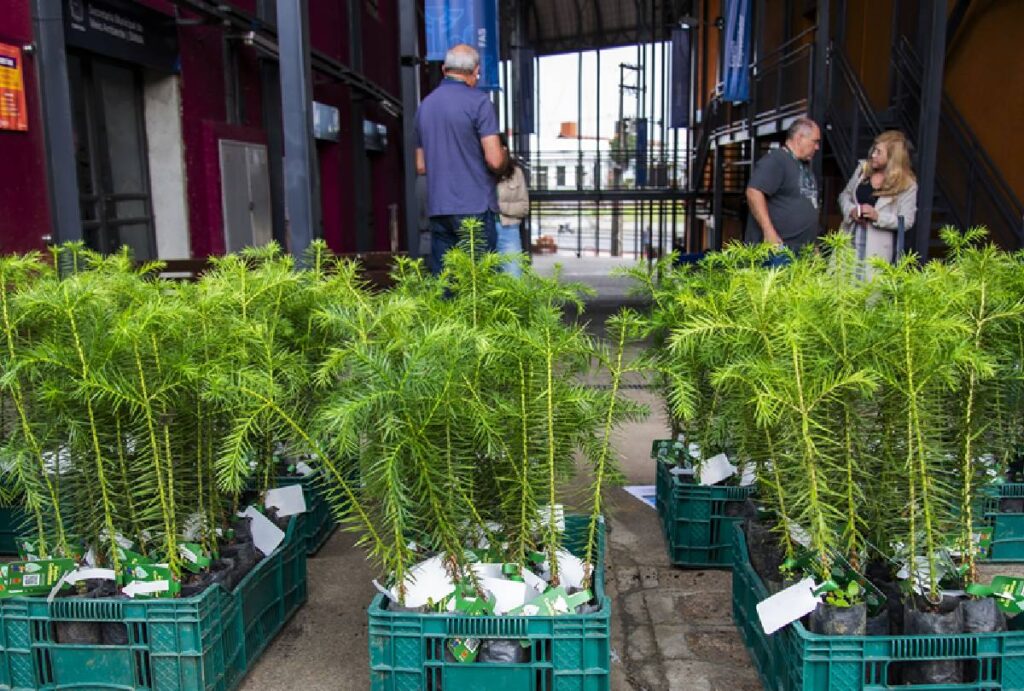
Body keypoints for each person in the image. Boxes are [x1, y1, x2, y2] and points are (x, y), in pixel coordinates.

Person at [414, 44, 507, 274]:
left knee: (445, 285)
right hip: (474, 208)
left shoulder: (425, 106)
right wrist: (504, 156)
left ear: (445, 69)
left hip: (439, 209)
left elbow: (421, 165)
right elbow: (495, 161)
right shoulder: (480, 102)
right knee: (479, 284)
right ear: (476, 71)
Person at [838, 130, 917, 267]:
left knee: (870, 286)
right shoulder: (863, 170)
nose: (873, 155)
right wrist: (851, 210)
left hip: (878, 253)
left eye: (879, 152)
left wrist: (877, 216)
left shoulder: (907, 184)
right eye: (874, 149)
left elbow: (907, 221)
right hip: (848, 243)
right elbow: (844, 196)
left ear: (893, 157)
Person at [744, 117, 822, 254]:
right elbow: (753, 192)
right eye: (815, 141)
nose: (817, 147)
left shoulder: (803, 166)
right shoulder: (776, 160)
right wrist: (769, 232)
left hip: (801, 253)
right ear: (799, 138)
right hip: (778, 252)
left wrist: (813, 244)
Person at [494, 134, 529, 276]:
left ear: (504, 149)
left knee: (513, 279)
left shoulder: (515, 172)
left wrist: (499, 207)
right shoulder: (477, 171)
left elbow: (524, 207)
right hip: (481, 231)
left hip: (508, 230)